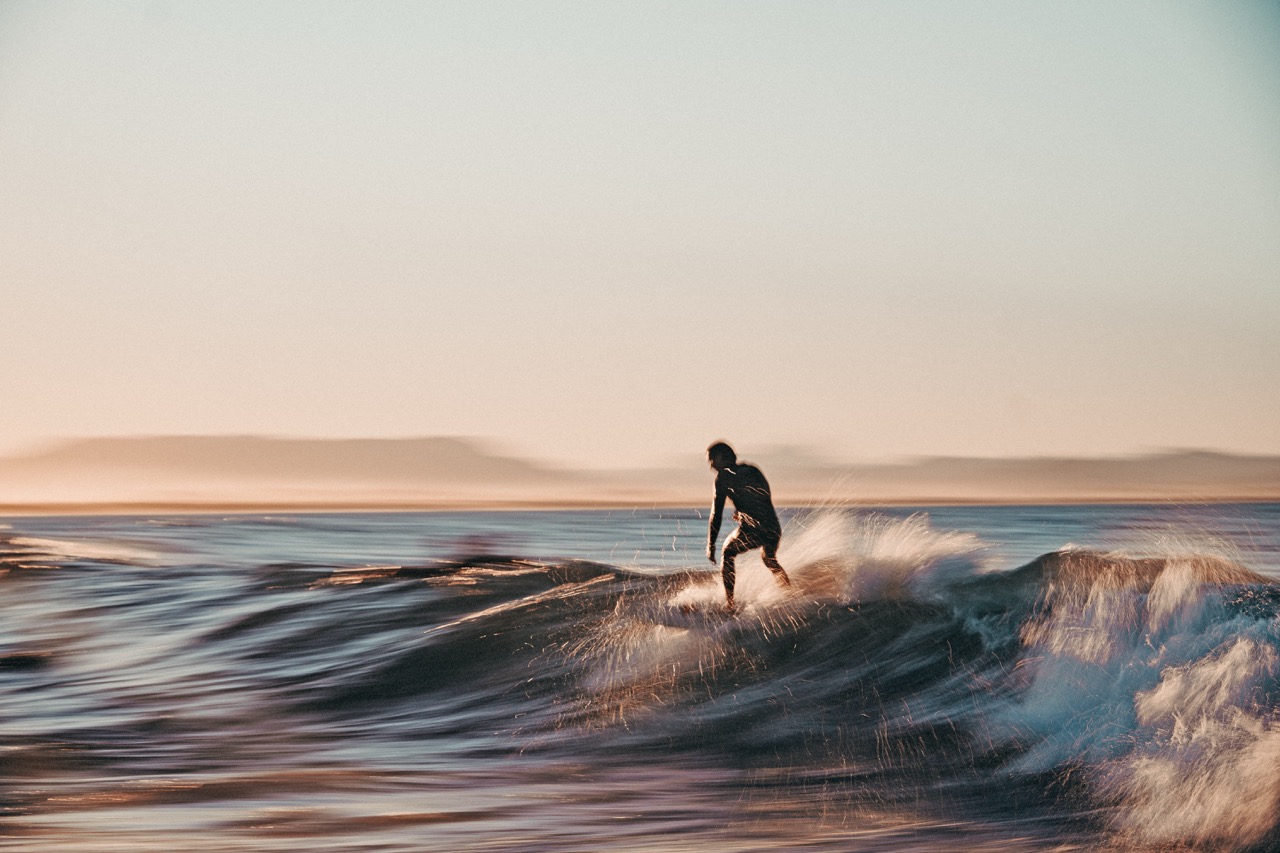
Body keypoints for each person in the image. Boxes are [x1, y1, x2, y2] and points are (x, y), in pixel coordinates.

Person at [705, 441, 790, 609]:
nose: (711, 465)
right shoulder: (752, 470)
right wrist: (742, 510)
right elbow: (763, 496)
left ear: (722, 457)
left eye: (712, 460)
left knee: (728, 552)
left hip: (753, 529)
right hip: (773, 527)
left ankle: (730, 603)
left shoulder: (722, 479)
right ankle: (788, 592)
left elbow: (716, 514)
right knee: (769, 559)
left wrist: (711, 544)